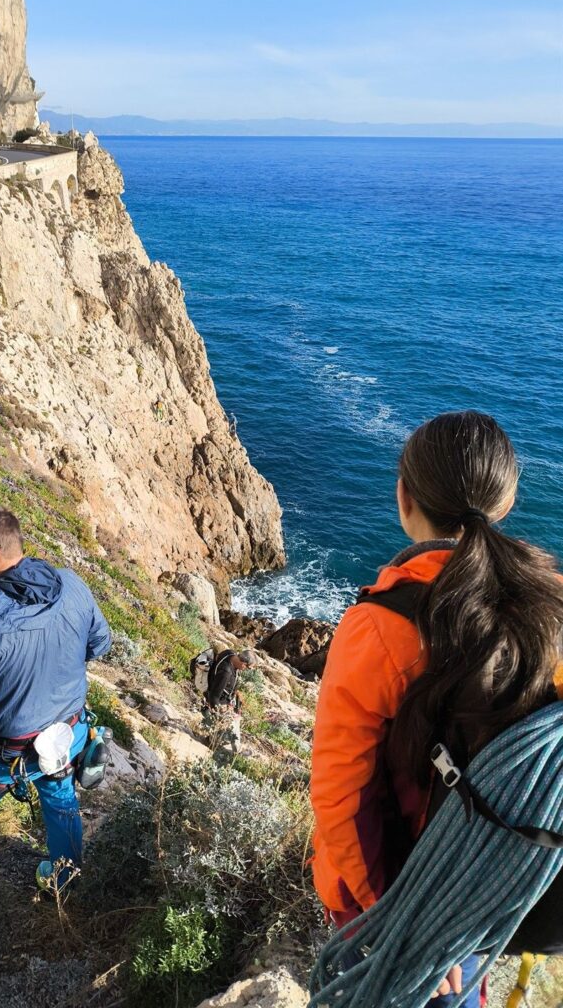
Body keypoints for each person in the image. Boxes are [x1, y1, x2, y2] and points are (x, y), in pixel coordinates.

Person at [310, 411, 563, 1007]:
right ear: (507, 501)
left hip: (403, 890)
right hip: (499, 885)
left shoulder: (380, 626)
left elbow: (339, 793)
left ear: (404, 498)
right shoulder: (551, 611)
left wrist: (396, 922)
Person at [0, 505, 112, 901]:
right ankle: (64, 878)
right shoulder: (72, 585)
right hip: (66, 735)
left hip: (5, 753)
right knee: (60, 798)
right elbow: (100, 643)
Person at [193, 646, 257, 758]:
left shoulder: (229, 653)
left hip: (225, 699)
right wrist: (219, 714)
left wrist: (235, 695)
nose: (245, 670)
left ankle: (212, 740)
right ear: (243, 663)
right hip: (217, 701)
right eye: (247, 667)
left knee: (234, 719)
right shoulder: (226, 672)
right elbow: (214, 696)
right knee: (233, 723)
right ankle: (237, 752)